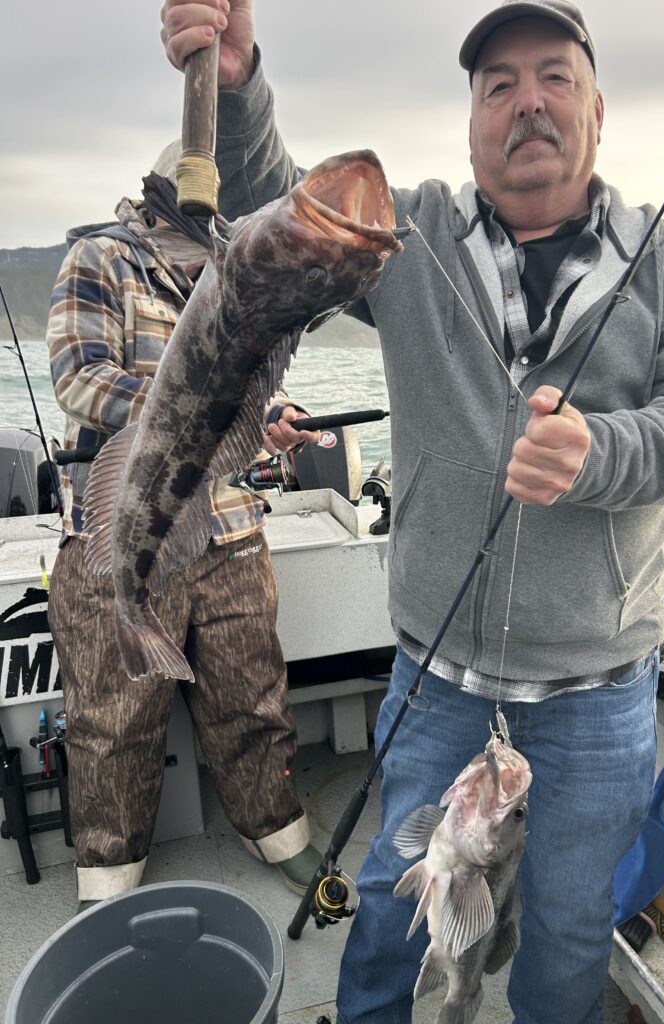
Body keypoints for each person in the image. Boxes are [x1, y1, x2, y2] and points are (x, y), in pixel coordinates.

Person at [161, 2, 664, 1022]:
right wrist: (236, 85)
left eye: (555, 76)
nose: (528, 102)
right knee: (394, 917)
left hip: (597, 697)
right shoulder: (410, 239)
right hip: (435, 681)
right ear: (472, 121)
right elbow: (286, 221)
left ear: (598, 110)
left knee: (570, 933)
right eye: (499, 85)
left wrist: (601, 452)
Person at [46, 143, 323, 911]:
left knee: (252, 698)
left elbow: (246, 396)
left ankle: (278, 832)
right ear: (160, 192)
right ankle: (108, 877)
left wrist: (271, 418)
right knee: (112, 722)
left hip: (230, 529)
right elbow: (79, 376)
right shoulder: (101, 257)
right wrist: (189, 403)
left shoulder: (238, 279)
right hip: (125, 533)